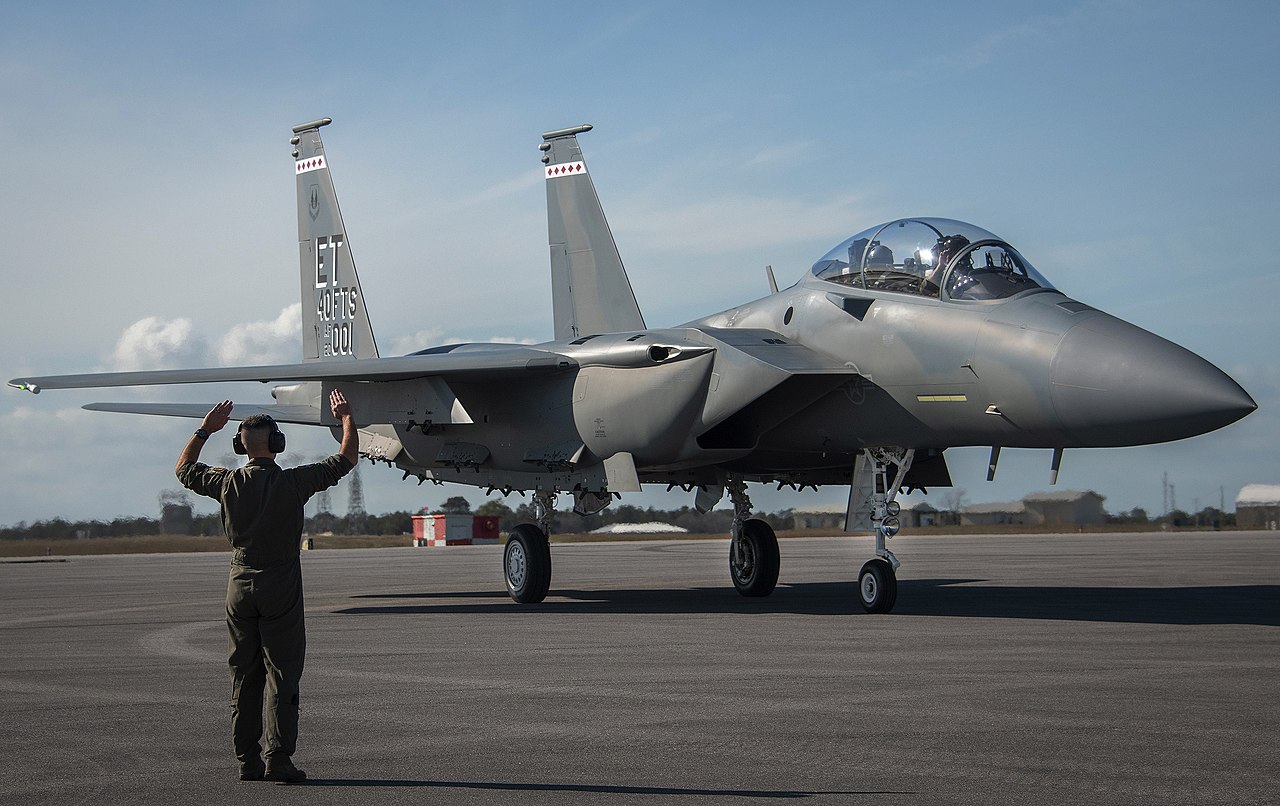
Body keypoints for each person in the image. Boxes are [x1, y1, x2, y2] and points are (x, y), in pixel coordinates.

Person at [175, 390, 358, 784]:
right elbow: (345, 460)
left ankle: (247, 760)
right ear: (278, 444)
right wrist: (345, 419)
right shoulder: (294, 483)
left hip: (239, 583)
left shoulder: (225, 483)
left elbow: (184, 469)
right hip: (281, 582)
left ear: (240, 446)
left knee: (244, 675)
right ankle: (279, 757)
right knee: (283, 671)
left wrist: (205, 430)